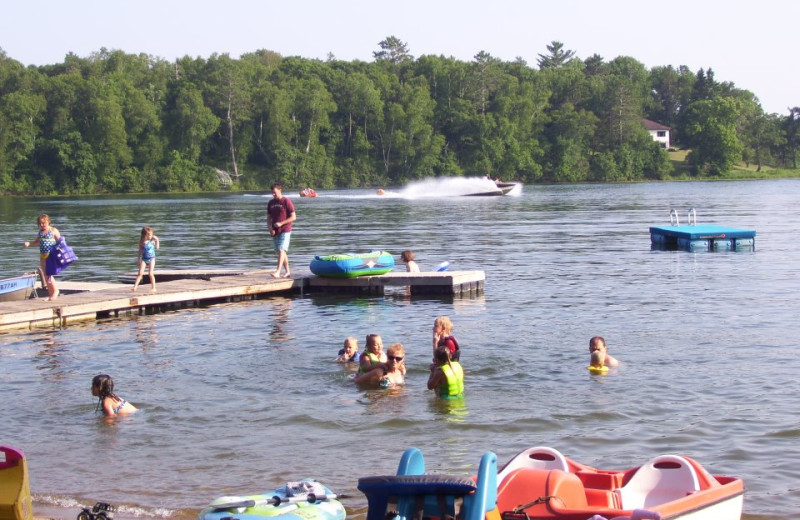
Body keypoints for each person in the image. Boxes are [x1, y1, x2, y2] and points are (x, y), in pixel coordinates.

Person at [23, 213, 61, 300]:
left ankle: (55, 291)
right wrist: (29, 243)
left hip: (51, 254)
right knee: (45, 274)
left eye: (43, 223)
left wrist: (60, 250)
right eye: (40, 223)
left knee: (49, 273)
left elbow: (60, 241)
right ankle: (51, 294)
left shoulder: (53, 230)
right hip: (43, 255)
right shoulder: (40, 232)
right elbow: (37, 242)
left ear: (48, 222)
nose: (42, 225)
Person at [267, 183, 297, 279]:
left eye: (275, 192)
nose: (273, 194)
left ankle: (278, 271)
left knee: (281, 249)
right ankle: (287, 271)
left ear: (280, 190)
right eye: (272, 193)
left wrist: (281, 223)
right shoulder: (271, 203)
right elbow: (268, 218)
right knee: (281, 251)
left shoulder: (286, 201)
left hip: (285, 229)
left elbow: (293, 217)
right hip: (275, 230)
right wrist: (270, 229)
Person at [132, 226, 160, 293]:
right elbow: (139, 252)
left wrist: (157, 240)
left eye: (151, 234)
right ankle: (135, 287)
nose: (151, 236)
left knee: (150, 273)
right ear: (145, 235)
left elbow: (157, 248)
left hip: (151, 259)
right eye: (150, 234)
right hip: (144, 259)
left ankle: (153, 287)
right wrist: (138, 259)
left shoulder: (152, 241)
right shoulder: (141, 242)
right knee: (140, 273)